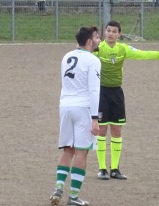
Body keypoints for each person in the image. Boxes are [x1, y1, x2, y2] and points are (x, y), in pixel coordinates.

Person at [93, 20, 159, 180]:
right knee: (102, 131)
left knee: (117, 131)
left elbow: (141, 54)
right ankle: (102, 168)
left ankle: (115, 169)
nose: (111, 34)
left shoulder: (123, 49)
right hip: (101, 94)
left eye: (114, 31)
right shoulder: (98, 49)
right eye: (108, 30)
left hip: (117, 93)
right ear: (104, 32)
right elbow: (83, 54)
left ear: (119, 34)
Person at [49, 26, 101, 206]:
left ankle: (58, 188)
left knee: (67, 150)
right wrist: (95, 118)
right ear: (89, 41)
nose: (99, 39)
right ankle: (73, 197)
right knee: (81, 151)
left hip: (65, 106)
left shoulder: (67, 56)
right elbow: (94, 90)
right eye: (96, 37)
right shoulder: (93, 60)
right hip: (83, 108)